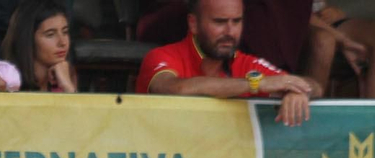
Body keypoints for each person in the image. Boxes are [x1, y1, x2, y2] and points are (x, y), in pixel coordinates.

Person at [136, 0, 318, 126]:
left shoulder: (247, 63)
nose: (230, 32)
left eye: (237, 21)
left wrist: (294, 91)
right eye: (220, 22)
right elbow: (173, 88)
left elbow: (315, 87)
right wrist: (254, 84)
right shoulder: (162, 56)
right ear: (193, 24)